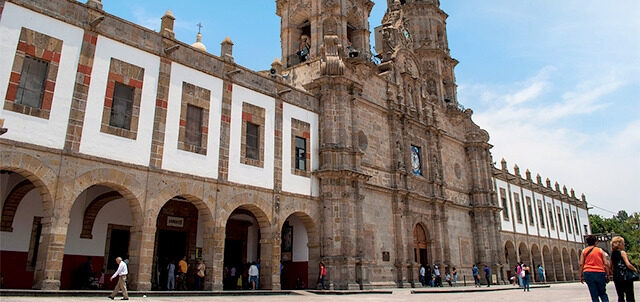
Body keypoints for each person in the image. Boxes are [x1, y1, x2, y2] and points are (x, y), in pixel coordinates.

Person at [580, 234, 611, 302]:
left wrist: (581, 275)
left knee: (594, 294)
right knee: (603, 293)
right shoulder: (600, 250)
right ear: (596, 242)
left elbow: (581, 264)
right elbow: (606, 263)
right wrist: (608, 274)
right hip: (600, 272)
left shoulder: (584, 251)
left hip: (588, 273)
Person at [610, 236, 637, 302]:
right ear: (620, 244)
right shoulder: (622, 252)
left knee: (620, 295)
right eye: (623, 243)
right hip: (625, 276)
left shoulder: (613, 254)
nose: (624, 244)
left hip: (616, 276)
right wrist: (634, 269)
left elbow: (611, 266)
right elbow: (628, 264)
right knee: (629, 295)